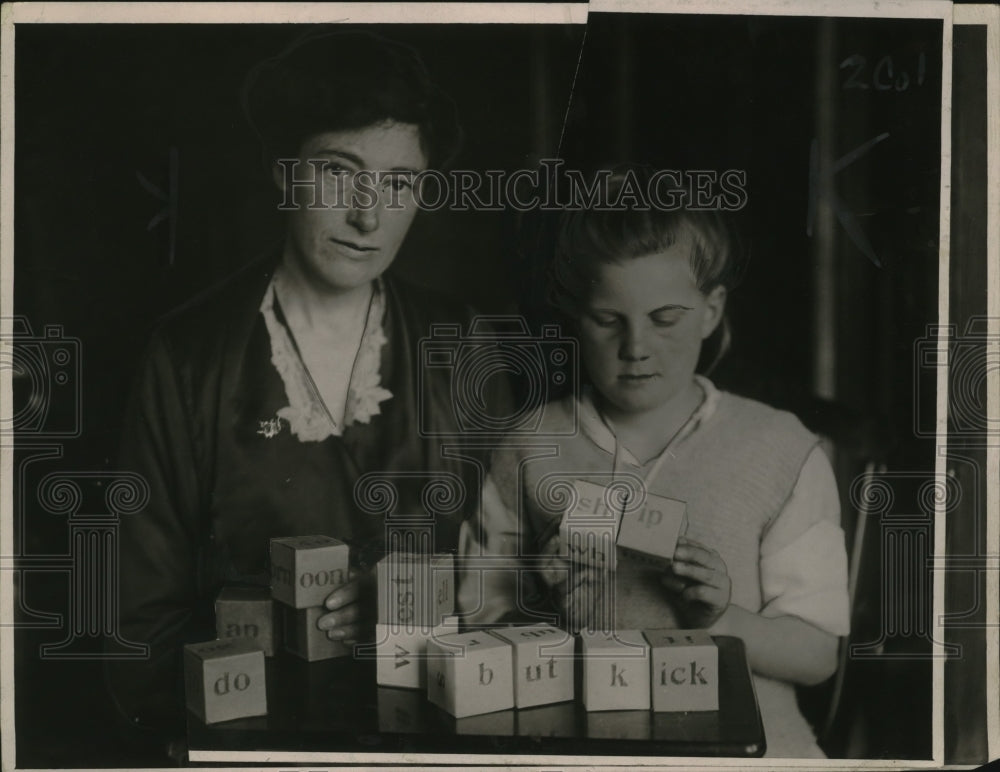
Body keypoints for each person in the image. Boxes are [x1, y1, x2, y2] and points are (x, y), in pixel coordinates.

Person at [106, 29, 509, 743]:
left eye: (398, 182)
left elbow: (515, 573)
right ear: (281, 171)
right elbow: (140, 627)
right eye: (337, 172)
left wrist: (424, 600)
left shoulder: (463, 343)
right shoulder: (188, 357)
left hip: (442, 731)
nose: (368, 215)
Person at [457, 167, 850, 757]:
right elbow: (475, 617)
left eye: (666, 319)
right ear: (574, 315)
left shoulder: (780, 448)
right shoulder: (530, 442)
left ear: (712, 311)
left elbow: (818, 656)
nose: (636, 346)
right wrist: (538, 593)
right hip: (577, 744)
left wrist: (719, 616)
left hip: (750, 751)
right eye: (608, 320)